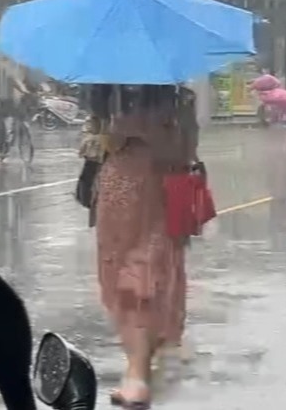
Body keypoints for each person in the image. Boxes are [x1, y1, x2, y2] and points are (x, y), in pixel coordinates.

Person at [94, 84, 198, 408]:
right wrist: (109, 137)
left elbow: (185, 153)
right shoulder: (106, 92)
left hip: (158, 197)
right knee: (120, 283)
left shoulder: (178, 98)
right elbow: (91, 146)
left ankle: (137, 373)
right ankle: (141, 361)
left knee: (141, 283)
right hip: (116, 198)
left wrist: (153, 135)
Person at [0, 64, 32, 160]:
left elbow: (20, 87)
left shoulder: (9, 76)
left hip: (8, 104)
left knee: (11, 122)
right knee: (1, 126)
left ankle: (8, 142)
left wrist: (26, 93)